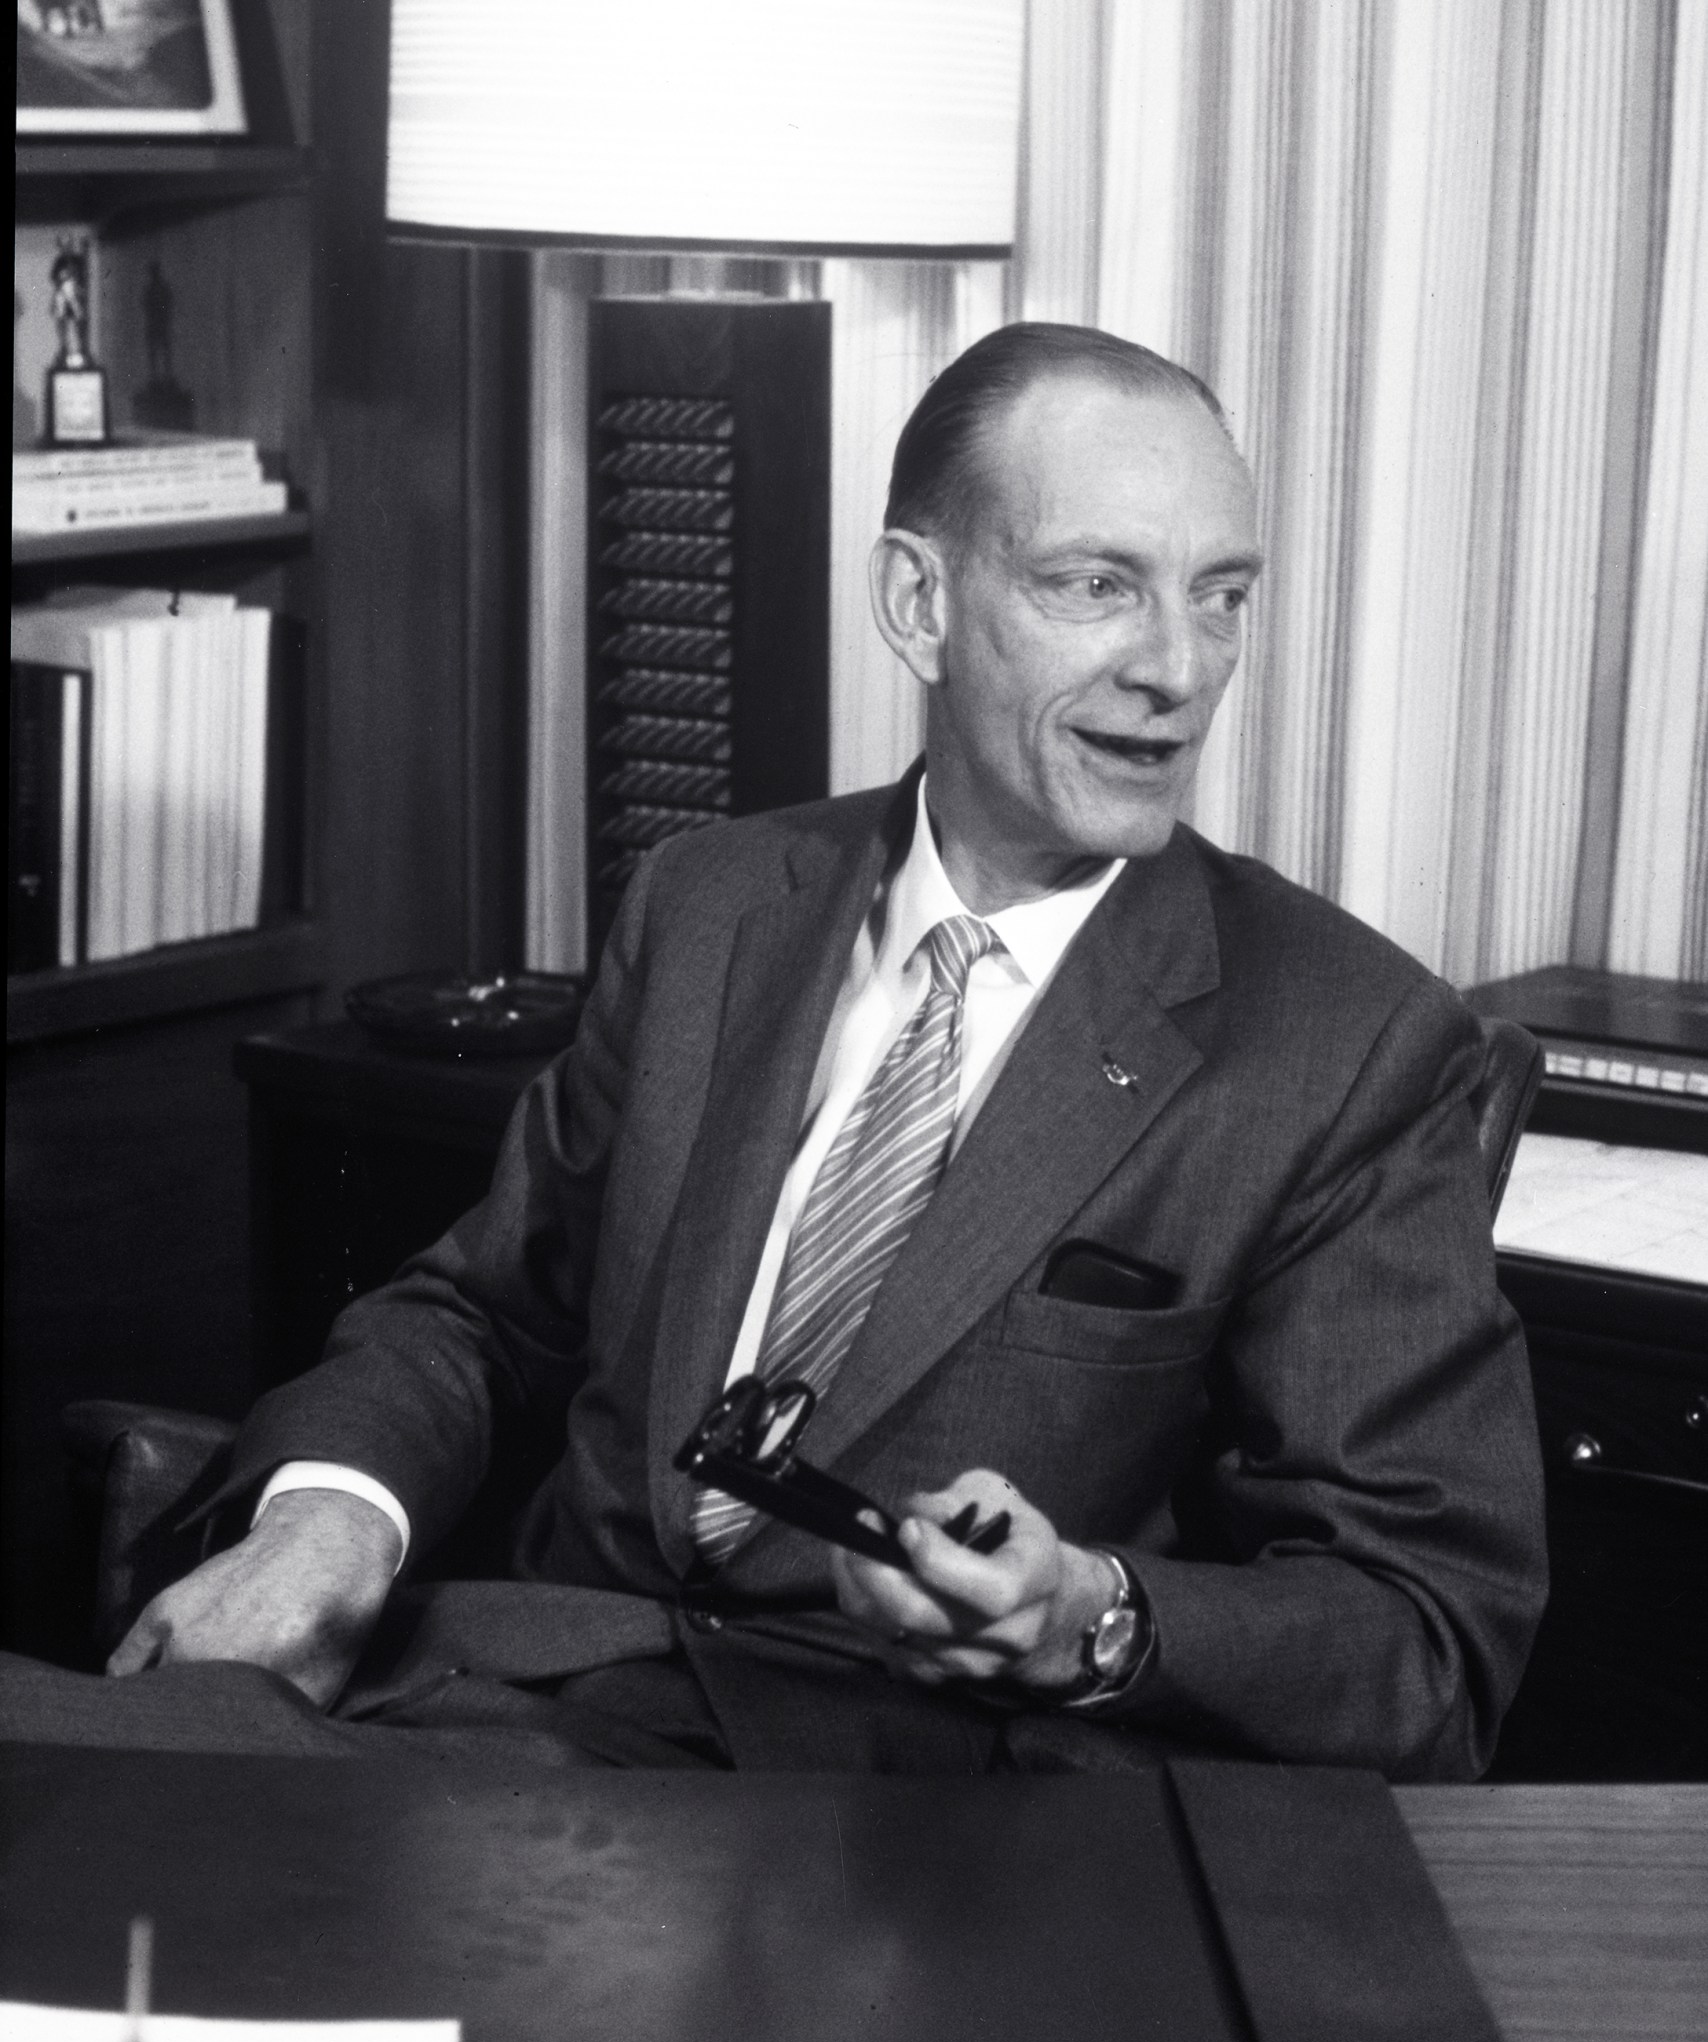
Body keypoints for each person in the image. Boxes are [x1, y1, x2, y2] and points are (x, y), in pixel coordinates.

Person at [11, 324, 1547, 1777]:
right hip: (501, 1712)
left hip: (914, 1817)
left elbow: (1425, 1636)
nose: (1183, 667)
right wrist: (330, 1521)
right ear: (919, 603)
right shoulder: (713, 902)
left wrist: (1096, 1617)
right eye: (1098, 584)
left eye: (1221, 595)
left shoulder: (1347, 1042)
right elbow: (484, 1314)